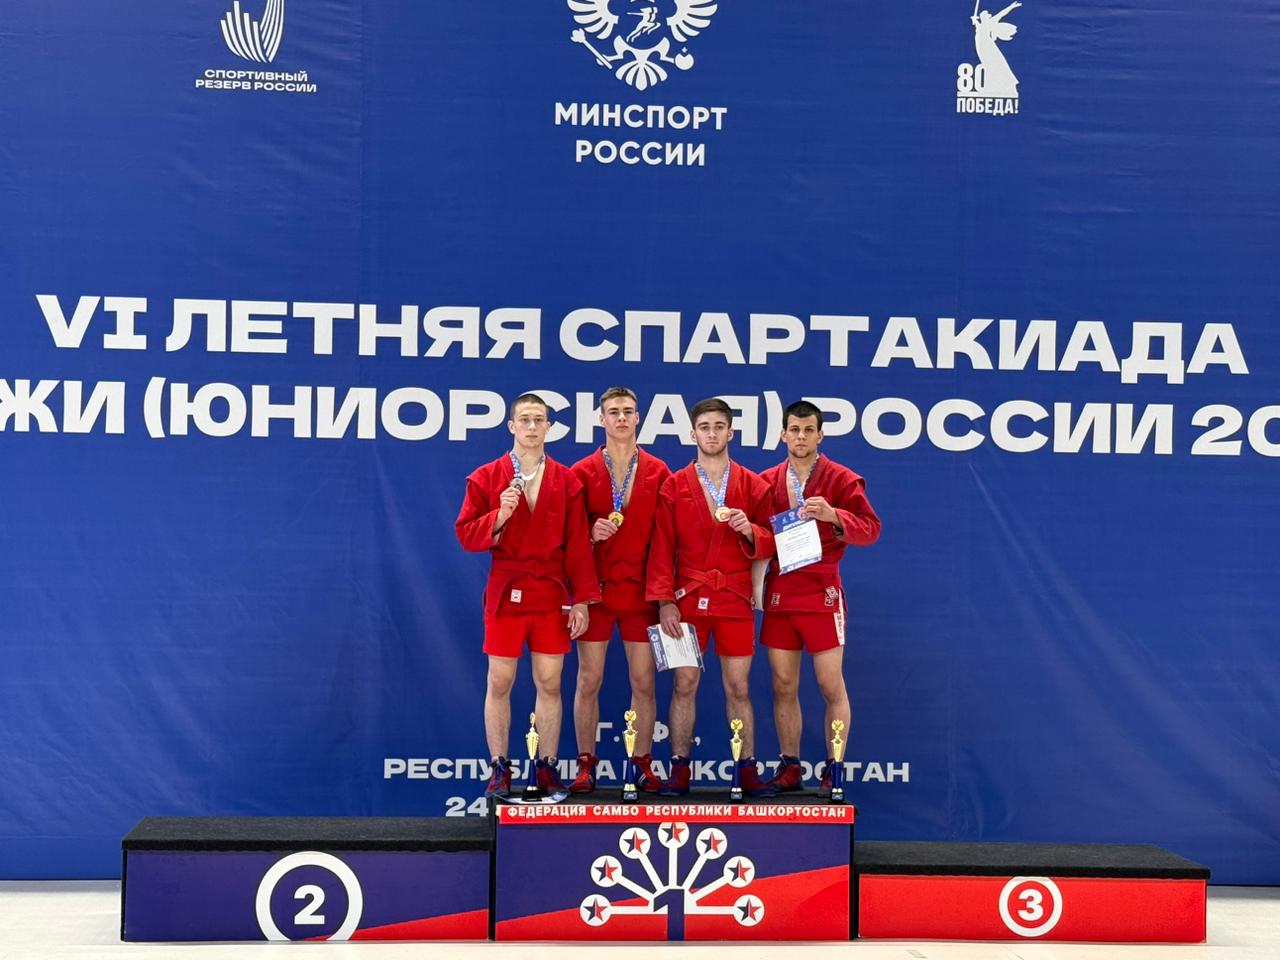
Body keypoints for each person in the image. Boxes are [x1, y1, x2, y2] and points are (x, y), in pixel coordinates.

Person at [454, 393, 600, 798]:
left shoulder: (567, 481)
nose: (532, 427)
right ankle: (499, 767)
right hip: (507, 589)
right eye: (525, 419)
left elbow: (577, 545)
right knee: (500, 679)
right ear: (511, 426)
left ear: (549, 426)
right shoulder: (486, 477)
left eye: (539, 420)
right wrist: (499, 515)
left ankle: (546, 766)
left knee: (550, 682)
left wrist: (582, 599)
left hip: (550, 592)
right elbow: (466, 534)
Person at [646, 397, 777, 798]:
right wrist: (664, 601)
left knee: (738, 686)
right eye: (704, 427)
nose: (712, 434)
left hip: (735, 597)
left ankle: (747, 768)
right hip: (687, 598)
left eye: (719, 426)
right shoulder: (673, 485)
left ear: (731, 432)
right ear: (693, 434)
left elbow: (774, 542)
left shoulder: (754, 486)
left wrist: (749, 529)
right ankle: (679, 768)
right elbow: (662, 546)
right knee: (684, 683)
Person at [759, 400, 881, 795]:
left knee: (830, 685)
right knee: (782, 684)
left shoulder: (842, 479)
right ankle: (790, 766)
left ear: (820, 435)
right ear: (783, 434)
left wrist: (834, 515)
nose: (800, 436)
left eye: (808, 430)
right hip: (781, 592)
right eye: (794, 429)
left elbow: (871, 529)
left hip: (822, 592)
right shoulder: (766, 481)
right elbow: (758, 537)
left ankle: (835, 768)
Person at [568, 387, 671, 793]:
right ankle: (585, 764)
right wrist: (588, 533)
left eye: (628, 411)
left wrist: (664, 597)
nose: (621, 418)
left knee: (643, 681)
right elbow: (567, 537)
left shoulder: (659, 471)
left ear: (639, 417)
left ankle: (641, 762)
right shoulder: (581, 471)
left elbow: (666, 540)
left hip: (640, 593)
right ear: (601, 419)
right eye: (613, 412)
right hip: (596, 592)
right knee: (588, 679)